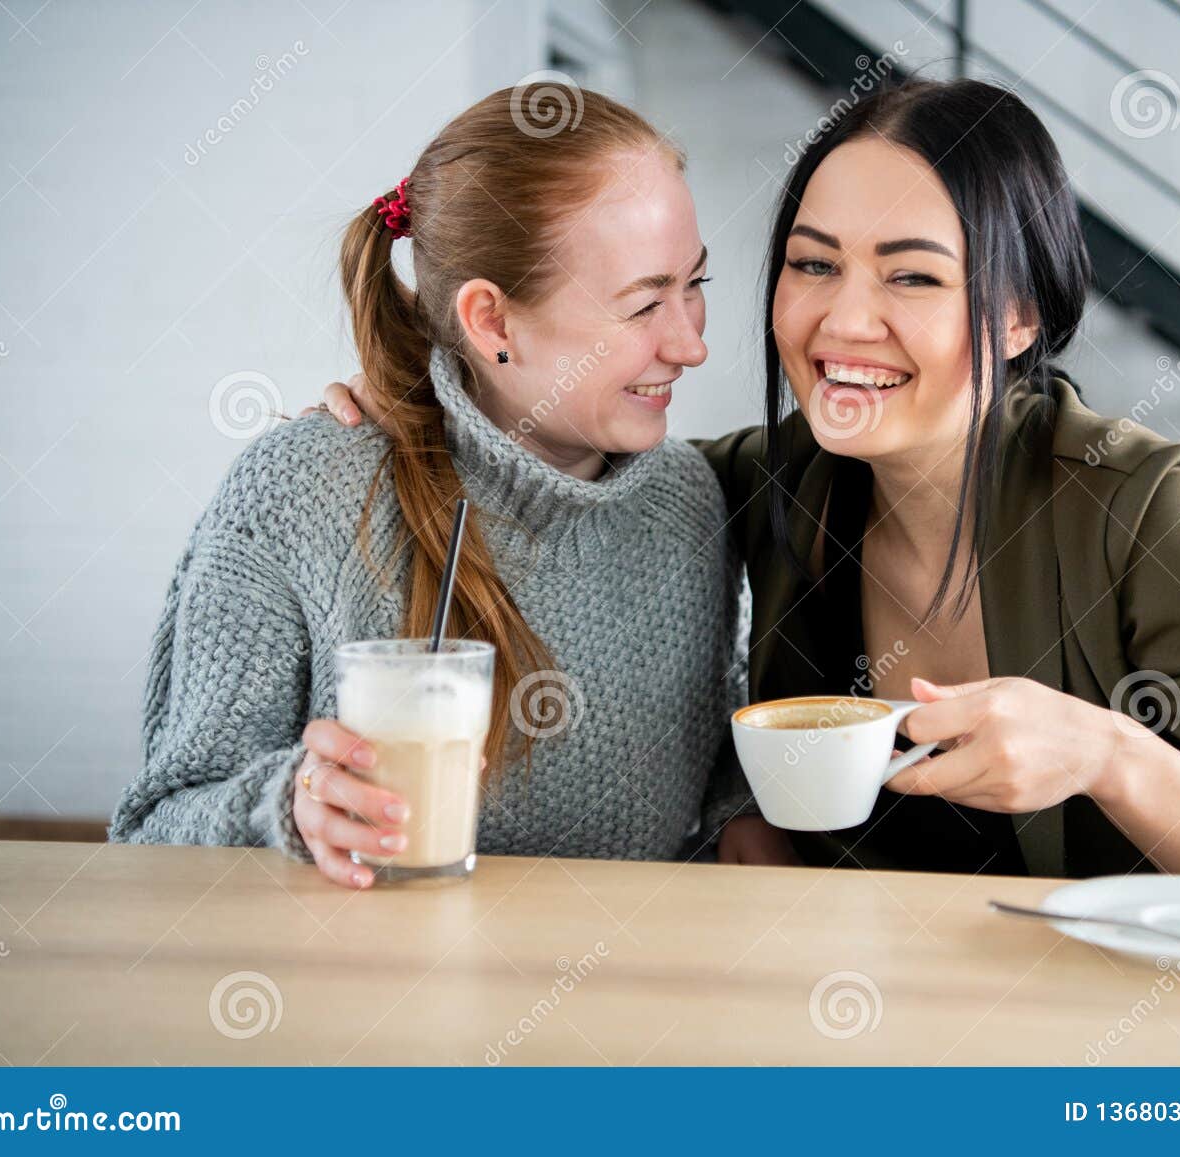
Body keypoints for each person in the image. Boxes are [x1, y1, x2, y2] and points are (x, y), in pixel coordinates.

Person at [319, 78, 1180, 899]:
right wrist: (413, 420)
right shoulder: (759, 489)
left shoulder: (1146, 510)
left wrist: (1110, 753)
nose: (840, 321)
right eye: (812, 264)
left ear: (1016, 317)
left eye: (911, 275)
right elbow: (554, 467)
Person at [111, 84, 785, 888]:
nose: (690, 344)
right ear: (493, 322)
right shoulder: (300, 494)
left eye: (695, 286)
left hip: (622, 1000)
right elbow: (154, 833)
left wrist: (739, 806)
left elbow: (698, 754)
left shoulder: (685, 501)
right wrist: (286, 807)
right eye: (643, 304)